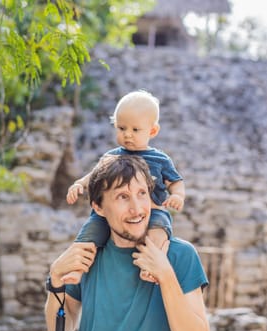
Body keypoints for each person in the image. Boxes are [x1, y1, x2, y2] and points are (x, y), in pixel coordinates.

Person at [45, 154, 209, 331]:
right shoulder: (88, 254)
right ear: (98, 207)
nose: (137, 209)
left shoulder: (179, 255)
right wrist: (55, 278)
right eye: (123, 197)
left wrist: (165, 275)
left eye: (142, 194)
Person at [65, 90, 185, 282]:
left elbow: (176, 182)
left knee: (159, 232)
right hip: (113, 213)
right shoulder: (112, 157)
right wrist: (79, 184)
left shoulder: (160, 159)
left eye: (135, 130)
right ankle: (77, 269)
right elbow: (94, 175)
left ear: (152, 131)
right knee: (89, 233)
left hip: (152, 211)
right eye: (121, 128)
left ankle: (151, 266)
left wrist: (177, 196)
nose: (127, 134)